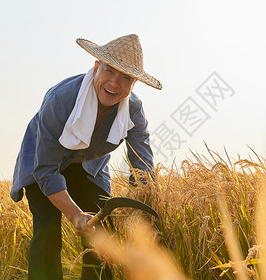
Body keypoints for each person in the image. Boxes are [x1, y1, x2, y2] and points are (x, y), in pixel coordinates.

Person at [10, 34, 162, 279]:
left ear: (134, 83)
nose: (114, 83)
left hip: (89, 167)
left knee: (101, 235)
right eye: (110, 70)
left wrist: (147, 203)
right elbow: (46, 170)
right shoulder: (60, 100)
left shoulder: (133, 110)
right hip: (43, 164)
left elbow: (141, 162)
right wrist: (75, 214)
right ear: (95, 67)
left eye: (125, 77)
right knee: (47, 230)